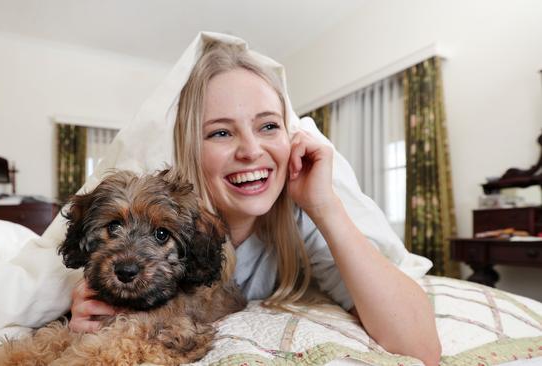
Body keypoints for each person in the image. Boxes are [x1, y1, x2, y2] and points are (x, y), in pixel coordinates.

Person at [65, 32, 441, 365]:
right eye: (221, 133)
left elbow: (420, 347)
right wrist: (84, 312)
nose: (250, 150)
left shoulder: (300, 218)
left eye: (268, 126)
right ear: (190, 147)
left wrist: (325, 206)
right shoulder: (167, 212)